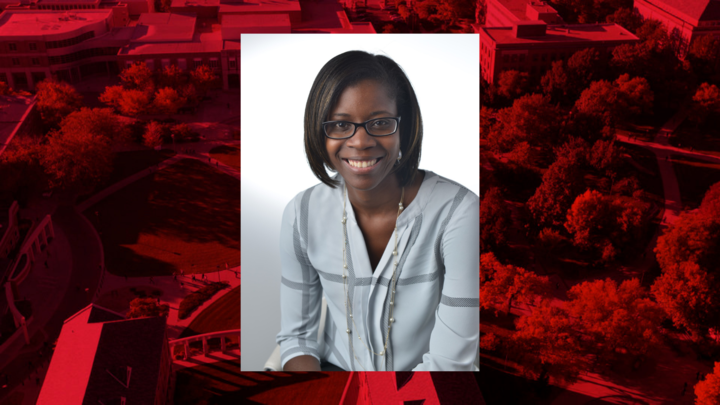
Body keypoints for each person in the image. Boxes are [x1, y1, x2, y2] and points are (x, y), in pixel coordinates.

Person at [276, 51, 478, 372]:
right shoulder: (300, 214)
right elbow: (296, 339)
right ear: (319, 130)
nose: (360, 142)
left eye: (381, 123)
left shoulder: (458, 212)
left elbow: (451, 363)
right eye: (341, 124)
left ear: (404, 126)